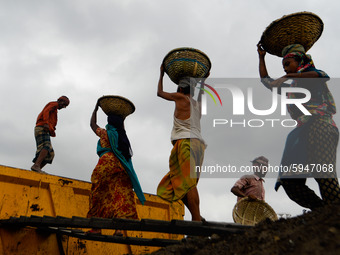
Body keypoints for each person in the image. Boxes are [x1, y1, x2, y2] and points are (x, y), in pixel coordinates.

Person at [257, 43, 340, 210]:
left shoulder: (315, 76)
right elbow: (267, 82)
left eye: (288, 64)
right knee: (290, 182)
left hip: (320, 125)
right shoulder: (292, 88)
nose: (286, 69)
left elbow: (320, 76)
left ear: (300, 60)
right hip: (301, 132)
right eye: (284, 67)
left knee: (323, 174)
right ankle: (323, 212)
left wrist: (289, 76)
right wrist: (261, 57)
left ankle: (335, 211)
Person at [87, 99, 145, 236]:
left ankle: (96, 228)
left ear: (109, 123)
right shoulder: (122, 135)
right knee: (120, 195)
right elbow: (121, 127)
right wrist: (122, 118)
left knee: (99, 194)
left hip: (106, 164)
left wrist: (95, 109)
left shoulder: (105, 133)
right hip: (121, 167)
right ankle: (119, 229)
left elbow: (92, 124)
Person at [156, 64, 207, 221]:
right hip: (199, 146)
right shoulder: (198, 103)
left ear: (180, 89)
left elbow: (159, 93)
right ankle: (196, 215)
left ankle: (196, 219)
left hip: (186, 142)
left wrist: (161, 74)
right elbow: (200, 91)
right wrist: (204, 79)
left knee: (188, 183)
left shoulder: (180, 97)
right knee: (183, 183)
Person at [31, 96, 70, 173]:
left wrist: (52, 128)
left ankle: (36, 169)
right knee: (46, 146)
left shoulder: (55, 110)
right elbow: (46, 111)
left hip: (44, 129)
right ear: (60, 101)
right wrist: (45, 123)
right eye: (64, 104)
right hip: (42, 127)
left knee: (50, 154)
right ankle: (36, 166)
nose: (64, 107)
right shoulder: (53, 104)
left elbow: (51, 119)